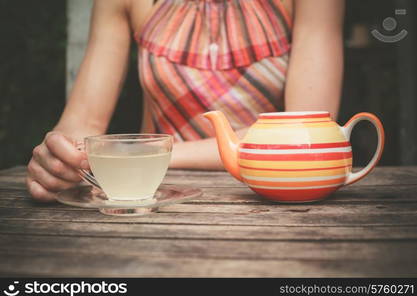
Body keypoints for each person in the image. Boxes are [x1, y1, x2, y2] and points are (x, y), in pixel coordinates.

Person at [27, 0, 345, 201]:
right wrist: (57, 157)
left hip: (266, 200)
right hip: (155, 200)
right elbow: (81, 126)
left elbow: (307, 136)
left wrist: (146, 151)